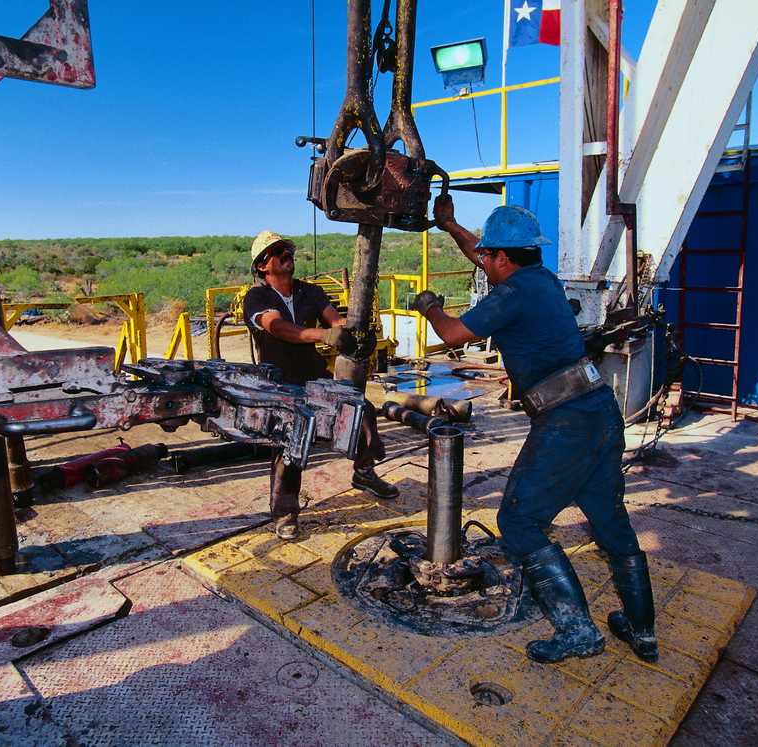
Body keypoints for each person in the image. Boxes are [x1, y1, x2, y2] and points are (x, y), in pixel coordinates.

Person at [410, 196, 658, 664]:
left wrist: (430, 307)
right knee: (610, 522)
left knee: (519, 523)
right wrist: (450, 226)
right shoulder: (539, 279)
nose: (482, 259)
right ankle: (642, 631)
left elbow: (453, 335)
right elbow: (483, 256)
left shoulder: (510, 294)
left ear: (503, 258)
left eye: (489, 255)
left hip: (566, 422)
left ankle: (577, 631)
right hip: (599, 411)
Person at [242, 230, 399, 540]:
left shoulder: (309, 292)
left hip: (312, 373)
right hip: (279, 381)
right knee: (290, 441)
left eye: (288, 251)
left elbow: (334, 320)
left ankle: (364, 471)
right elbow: (277, 327)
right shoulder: (256, 298)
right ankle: (285, 513)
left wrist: (353, 334)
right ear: (263, 266)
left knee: (362, 410)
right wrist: (322, 336)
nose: (288, 256)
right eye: (279, 253)